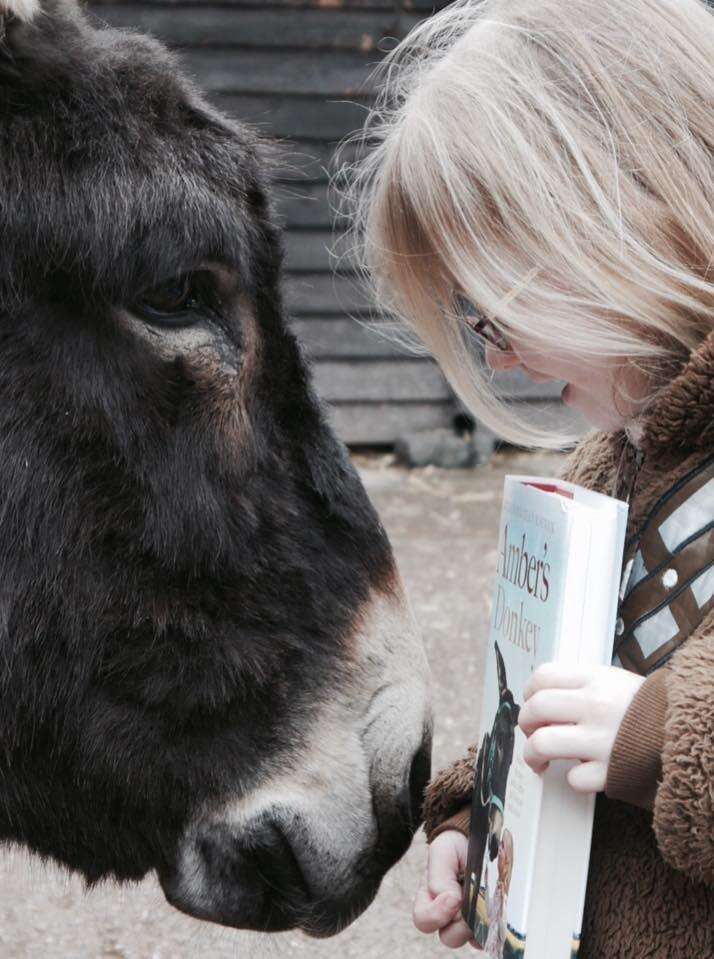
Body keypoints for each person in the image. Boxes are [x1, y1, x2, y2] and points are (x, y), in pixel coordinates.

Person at [340, 0, 714, 955]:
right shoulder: (614, 460)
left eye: (495, 304)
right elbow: (547, 678)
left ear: (617, 218)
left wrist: (660, 732)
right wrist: (479, 810)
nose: (500, 362)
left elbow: (638, 718)